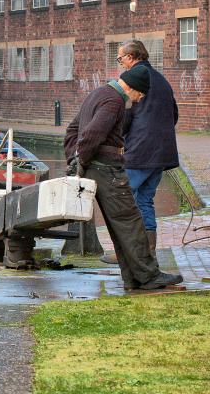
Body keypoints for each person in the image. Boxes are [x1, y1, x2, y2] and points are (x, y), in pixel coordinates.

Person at [64, 65, 183, 290]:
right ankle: (148, 276)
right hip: (107, 169)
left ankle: (132, 278)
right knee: (130, 222)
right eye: (140, 94)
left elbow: (72, 130)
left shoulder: (97, 94)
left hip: (95, 167)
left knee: (118, 225)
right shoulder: (114, 101)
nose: (138, 100)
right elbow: (92, 135)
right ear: (131, 87)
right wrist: (80, 162)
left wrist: (74, 159)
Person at [98, 40, 178, 263]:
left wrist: (117, 140)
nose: (120, 62)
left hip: (140, 152)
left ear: (132, 58)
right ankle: (148, 251)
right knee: (145, 201)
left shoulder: (131, 80)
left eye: (121, 58)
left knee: (121, 199)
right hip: (162, 153)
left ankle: (126, 251)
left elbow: (123, 115)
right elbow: (174, 114)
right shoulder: (162, 79)